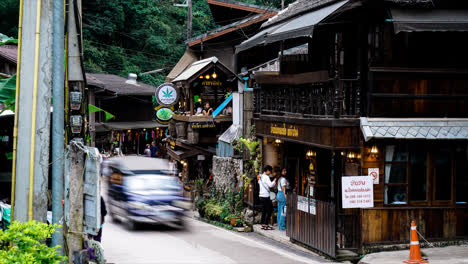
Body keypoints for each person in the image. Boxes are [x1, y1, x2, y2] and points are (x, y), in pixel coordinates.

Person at [258, 165, 277, 230]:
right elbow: (270, 185)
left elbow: (259, 183)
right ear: (268, 170)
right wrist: (274, 181)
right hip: (266, 196)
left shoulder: (260, 176)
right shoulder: (266, 177)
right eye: (270, 171)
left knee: (264, 210)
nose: (270, 172)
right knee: (269, 210)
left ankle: (262, 223)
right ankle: (266, 224)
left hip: (261, 195)